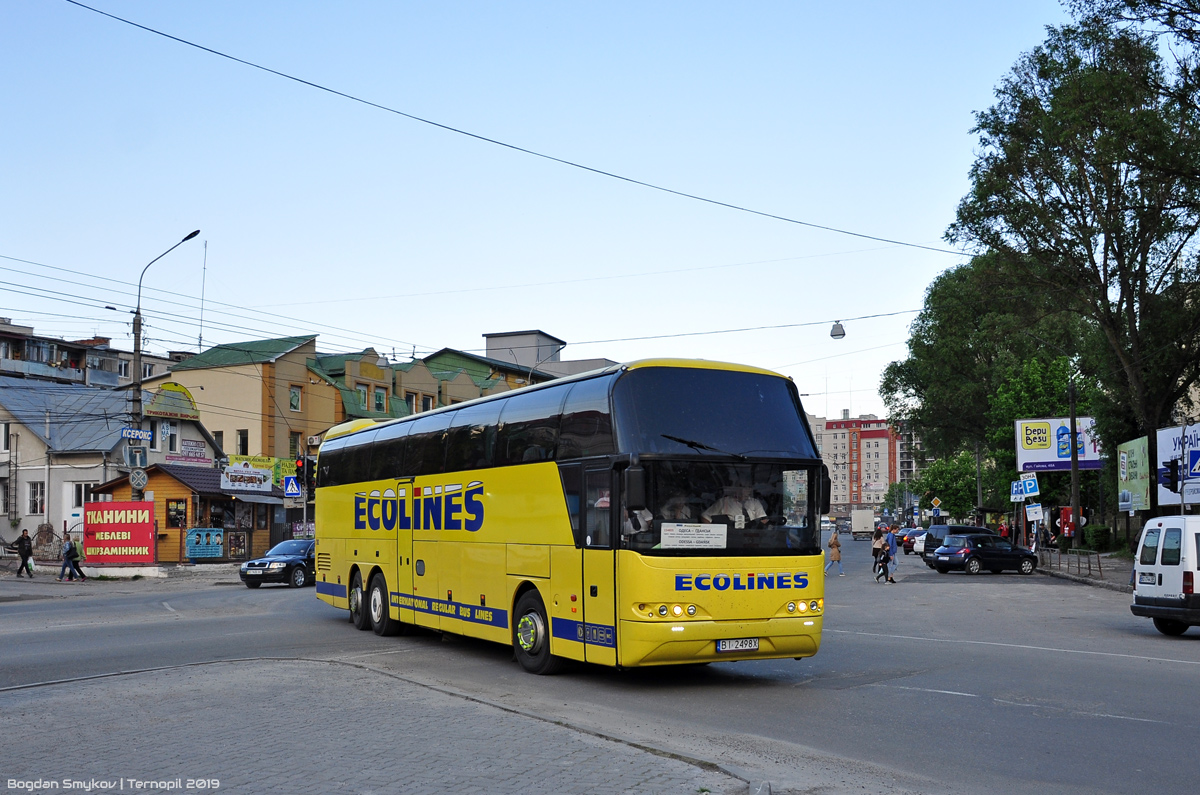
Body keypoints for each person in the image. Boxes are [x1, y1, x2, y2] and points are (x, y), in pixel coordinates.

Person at [701, 486, 767, 529]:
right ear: (736, 489)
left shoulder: (755, 502)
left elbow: (764, 519)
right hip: (730, 533)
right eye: (741, 488)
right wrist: (712, 533)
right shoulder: (724, 502)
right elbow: (705, 516)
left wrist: (756, 527)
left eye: (747, 488)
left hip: (750, 535)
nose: (743, 491)